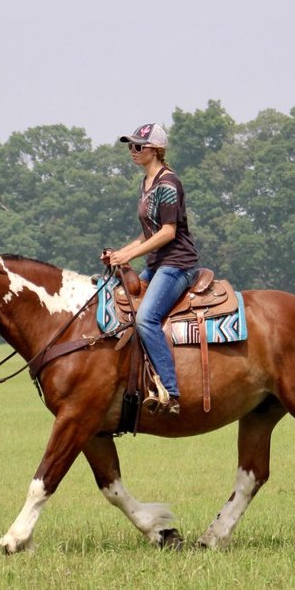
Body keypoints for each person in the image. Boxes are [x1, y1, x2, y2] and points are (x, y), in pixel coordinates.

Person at [103, 122, 198, 416]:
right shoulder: (146, 184)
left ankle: (170, 390)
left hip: (177, 264)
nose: (132, 151)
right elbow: (148, 234)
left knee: (145, 318)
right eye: (130, 146)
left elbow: (168, 232)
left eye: (138, 146)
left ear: (155, 150)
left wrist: (129, 256)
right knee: (118, 301)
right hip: (157, 264)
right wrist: (121, 254)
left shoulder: (167, 184)